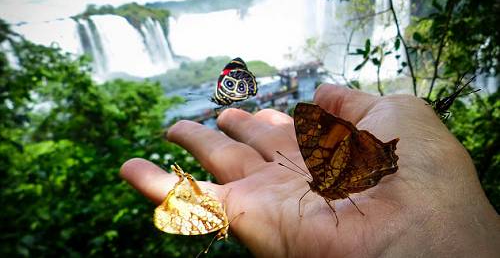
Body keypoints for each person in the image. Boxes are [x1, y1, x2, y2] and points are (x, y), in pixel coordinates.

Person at [120, 84, 500, 257]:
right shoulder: (323, 185)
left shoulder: (326, 180)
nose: (311, 188)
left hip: (373, 161)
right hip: (370, 165)